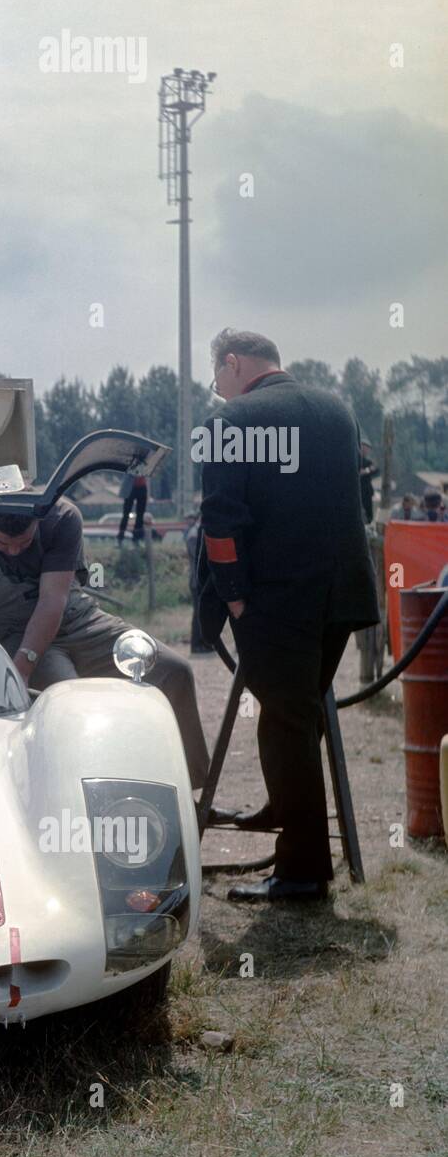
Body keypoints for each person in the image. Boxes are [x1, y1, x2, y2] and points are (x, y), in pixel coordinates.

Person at [199, 329, 379, 904]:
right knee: (296, 715)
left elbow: (220, 522)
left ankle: (302, 872)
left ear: (233, 364)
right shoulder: (338, 411)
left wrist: (232, 597)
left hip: (278, 603)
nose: (217, 389)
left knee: (285, 723)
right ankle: (287, 813)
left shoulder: (228, 422)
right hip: (343, 597)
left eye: (217, 376)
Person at [0, 499, 213, 795]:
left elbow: (53, 600)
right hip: (13, 635)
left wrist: (23, 666)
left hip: (78, 621)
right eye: (3, 544)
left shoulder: (61, 517)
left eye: (24, 542)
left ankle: (188, 793)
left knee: (173, 671)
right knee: (71, 702)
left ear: (38, 521)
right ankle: (92, 802)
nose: (15, 551)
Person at [183, 510, 213, 653]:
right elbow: (199, 557)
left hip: (201, 580)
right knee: (198, 614)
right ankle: (196, 644)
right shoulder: (194, 536)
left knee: (203, 613)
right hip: (197, 581)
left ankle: (205, 643)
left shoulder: (198, 533)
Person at [116, 470, 148, 544]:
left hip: (142, 487)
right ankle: (121, 536)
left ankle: (136, 537)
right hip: (130, 487)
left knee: (140, 514)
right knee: (126, 513)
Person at [357, 438, 377, 524]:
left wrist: (367, 471)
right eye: (364, 448)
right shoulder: (356, 460)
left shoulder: (369, 461)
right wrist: (367, 471)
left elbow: (375, 470)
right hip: (357, 489)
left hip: (367, 490)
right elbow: (358, 472)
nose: (366, 450)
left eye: (367, 449)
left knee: (368, 510)